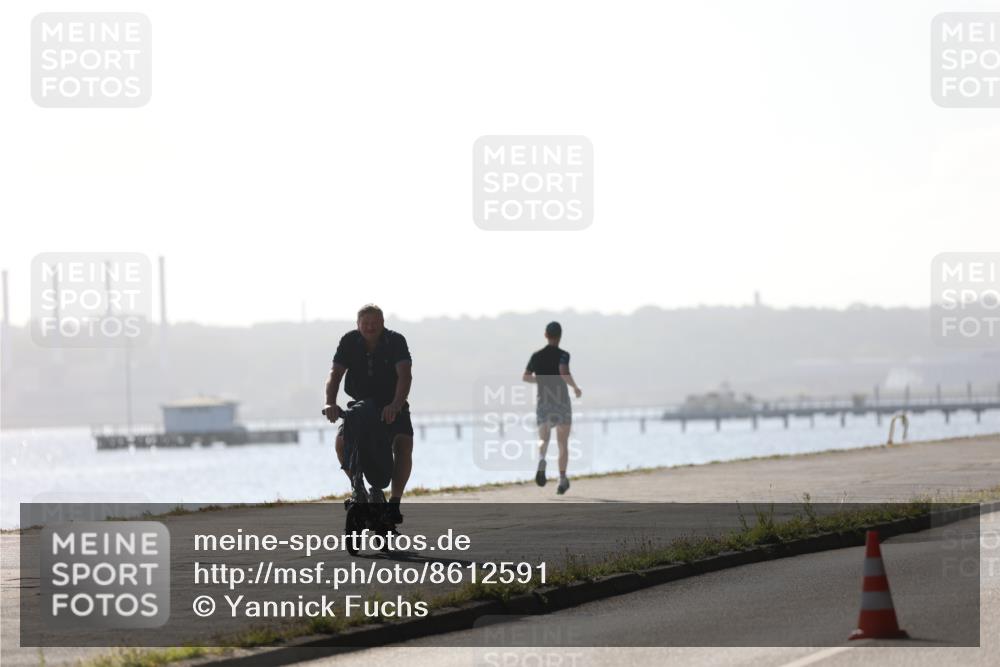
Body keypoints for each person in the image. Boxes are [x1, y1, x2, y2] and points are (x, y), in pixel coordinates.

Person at [323, 304, 413, 523]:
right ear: (358, 325)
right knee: (342, 443)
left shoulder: (396, 341)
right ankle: (359, 491)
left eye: (375, 323)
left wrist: (396, 404)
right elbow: (335, 375)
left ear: (382, 323)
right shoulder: (349, 341)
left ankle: (394, 503)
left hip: (392, 403)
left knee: (403, 444)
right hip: (360, 405)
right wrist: (330, 403)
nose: (370, 327)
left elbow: (405, 375)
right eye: (365, 324)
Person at [522, 321, 582, 494]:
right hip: (561, 401)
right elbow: (563, 372)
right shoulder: (564, 355)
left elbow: (525, 377)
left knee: (544, 438)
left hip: (544, 402)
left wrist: (540, 380)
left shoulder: (536, 356)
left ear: (545, 335)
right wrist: (575, 387)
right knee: (562, 442)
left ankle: (542, 459)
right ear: (560, 336)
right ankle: (562, 480)